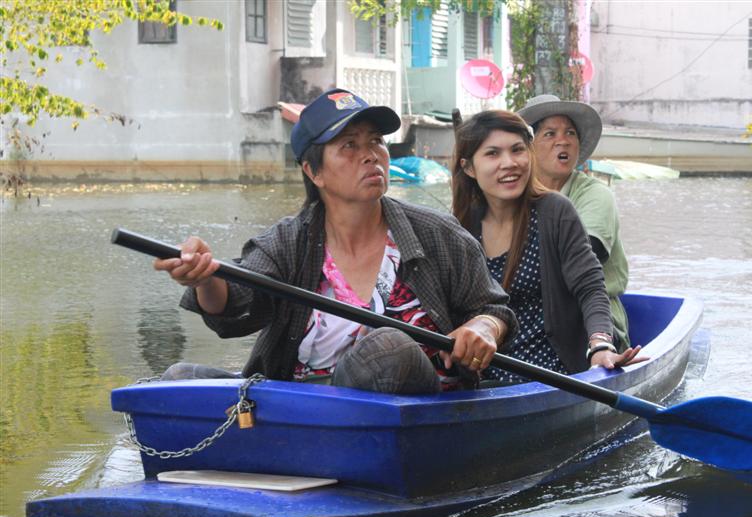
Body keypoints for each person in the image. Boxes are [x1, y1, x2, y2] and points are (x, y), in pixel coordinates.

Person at [154, 88, 517, 394]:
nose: (371, 155)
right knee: (176, 382)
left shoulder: (437, 233)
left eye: (376, 141)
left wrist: (481, 327)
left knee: (389, 347)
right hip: (305, 414)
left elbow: (494, 309)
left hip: (414, 418)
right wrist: (205, 279)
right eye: (349, 145)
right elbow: (236, 310)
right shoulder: (288, 241)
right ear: (314, 171)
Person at [451, 110, 644, 382]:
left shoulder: (555, 211)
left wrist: (600, 345)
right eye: (493, 154)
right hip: (484, 370)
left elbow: (590, 286)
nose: (509, 163)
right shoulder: (462, 224)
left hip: (551, 367)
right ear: (469, 167)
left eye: (518, 150)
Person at [518, 94, 632, 351]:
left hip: (590, 317)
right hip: (529, 316)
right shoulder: (513, 196)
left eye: (570, 133)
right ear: (529, 147)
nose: (564, 140)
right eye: (550, 134)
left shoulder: (595, 194)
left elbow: (584, 257)